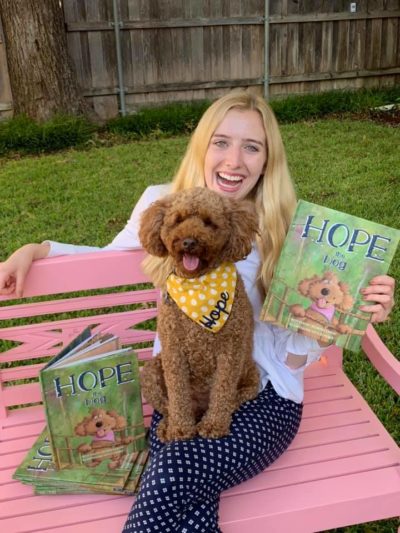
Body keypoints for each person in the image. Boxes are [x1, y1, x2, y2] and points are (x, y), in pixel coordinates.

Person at [0, 90, 395, 532]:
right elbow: (106, 255)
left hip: (263, 395)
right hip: (180, 388)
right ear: (202, 146)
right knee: (184, 495)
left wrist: (352, 309)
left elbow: (296, 348)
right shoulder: (165, 203)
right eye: (221, 142)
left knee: (172, 475)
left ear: (268, 160)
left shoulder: (284, 227)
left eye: (252, 147)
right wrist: (37, 249)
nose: (234, 161)